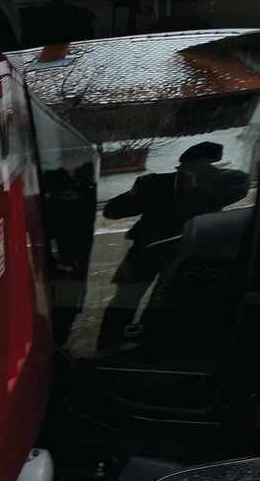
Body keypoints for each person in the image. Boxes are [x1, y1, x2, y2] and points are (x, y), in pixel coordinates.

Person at [97, 142, 249, 348]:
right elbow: (112, 212)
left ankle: (153, 342)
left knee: (168, 299)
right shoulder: (159, 184)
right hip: (147, 249)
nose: (186, 173)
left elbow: (236, 191)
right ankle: (109, 343)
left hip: (188, 251)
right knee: (126, 299)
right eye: (183, 169)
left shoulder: (229, 179)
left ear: (212, 165)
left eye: (197, 167)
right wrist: (136, 193)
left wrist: (195, 188)